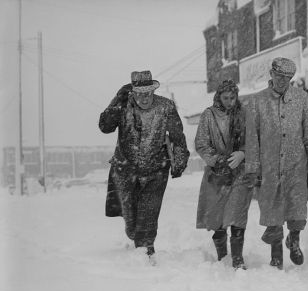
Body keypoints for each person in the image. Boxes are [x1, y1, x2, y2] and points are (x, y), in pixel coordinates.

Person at [99, 70, 190, 262]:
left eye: (148, 93)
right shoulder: (123, 106)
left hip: (156, 170)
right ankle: (136, 238)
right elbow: (105, 126)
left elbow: (178, 138)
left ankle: (147, 253)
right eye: (140, 93)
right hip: (125, 171)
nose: (144, 98)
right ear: (132, 92)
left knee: (148, 217)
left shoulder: (166, 106)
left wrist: (179, 162)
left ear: (154, 91)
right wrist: (116, 100)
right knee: (132, 224)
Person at [244, 57, 308, 270]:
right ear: (271, 74)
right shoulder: (257, 101)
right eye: (279, 76)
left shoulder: (302, 99)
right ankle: (276, 255)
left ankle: (294, 240)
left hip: (296, 164)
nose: (282, 81)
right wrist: (253, 168)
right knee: (273, 211)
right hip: (269, 166)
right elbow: (252, 139)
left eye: (287, 78)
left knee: (297, 208)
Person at [195, 80, 253, 270]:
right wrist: (217, 160)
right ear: (218, 97)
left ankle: (237, 259)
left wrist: (243, 153)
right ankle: (222, 256)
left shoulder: (244, 114)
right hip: (216, 175)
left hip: (240, 173)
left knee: (237, 214)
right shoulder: (208, 115)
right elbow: (202, 143)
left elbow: (253, 140)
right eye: (225, 97)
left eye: (232, 97)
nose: (229, 101)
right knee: (217, 218)